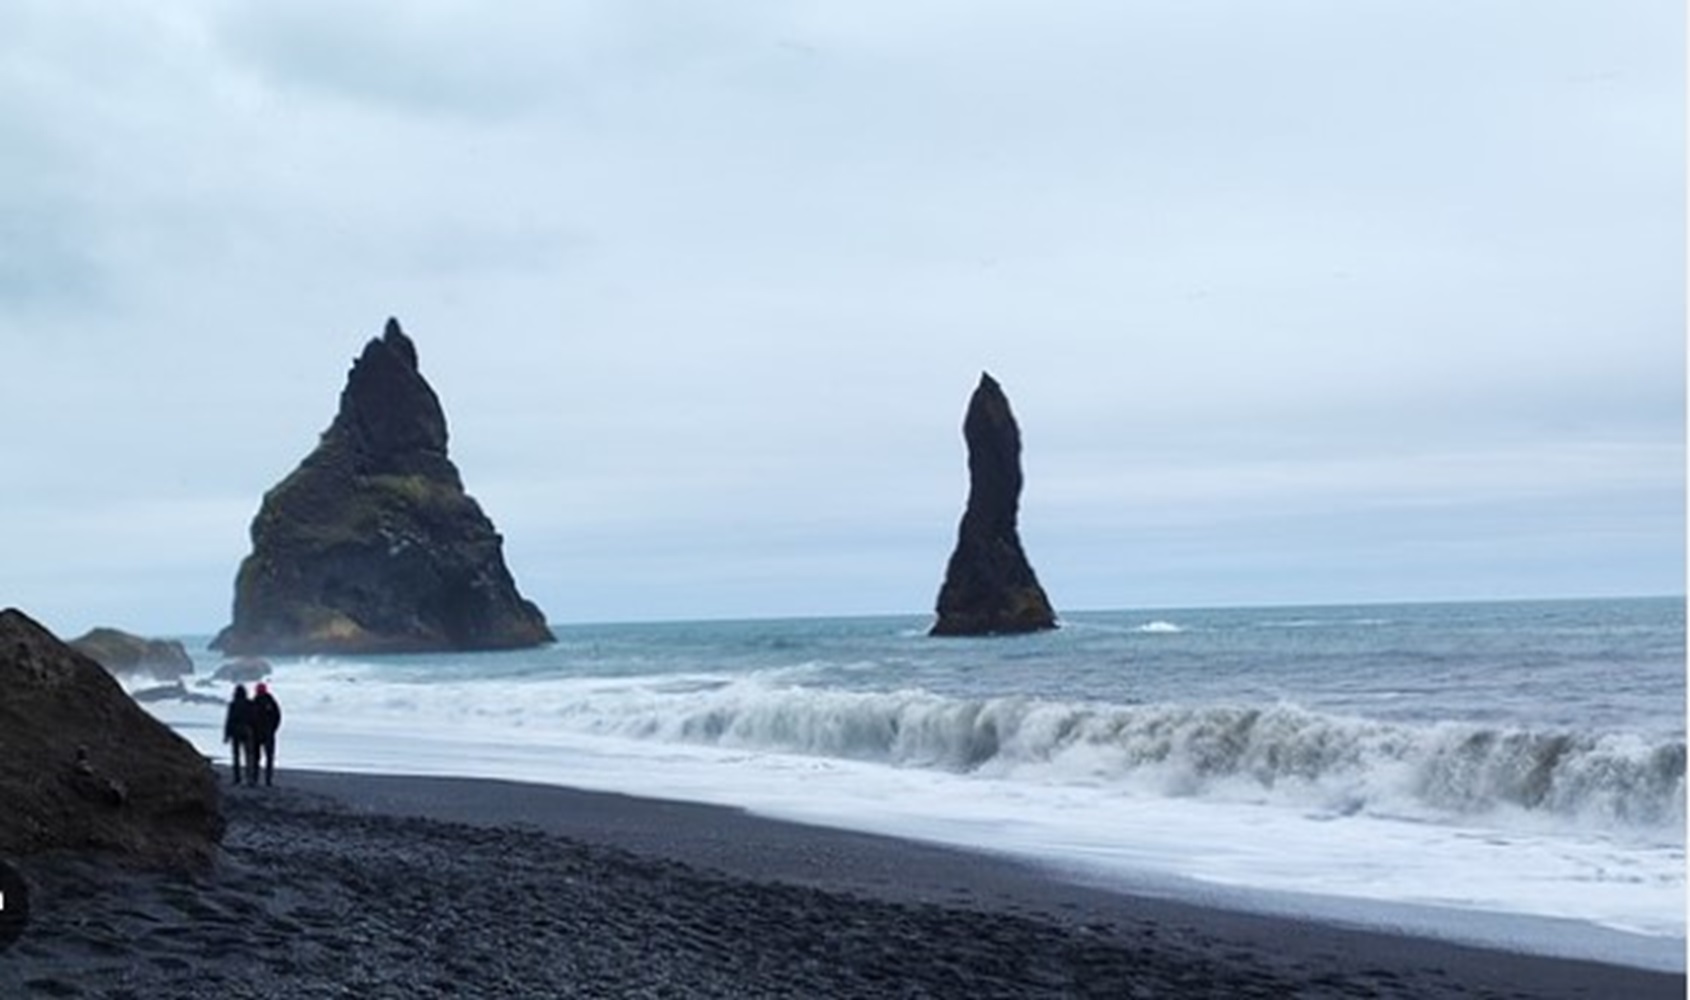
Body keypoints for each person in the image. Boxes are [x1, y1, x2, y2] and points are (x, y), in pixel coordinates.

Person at [249, 682, 283, 787]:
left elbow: (277, 717)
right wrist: (273, 729)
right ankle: (264, 780)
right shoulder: (268, 702)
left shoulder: (260, 702)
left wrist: (272, 729)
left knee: (259, 758)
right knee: (265, 758)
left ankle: (259, 779)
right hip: (263, 734)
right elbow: (278, 717)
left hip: (261, 734)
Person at [222, 685, 253, 785]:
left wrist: (226, 735)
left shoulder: (233, 704)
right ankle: (249, 778)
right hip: (247, 730)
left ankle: (237, 778)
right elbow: (254, 719)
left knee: (236, 756)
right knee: (248, 755)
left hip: (235, 731)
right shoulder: (249, 704)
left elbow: (229, 720)